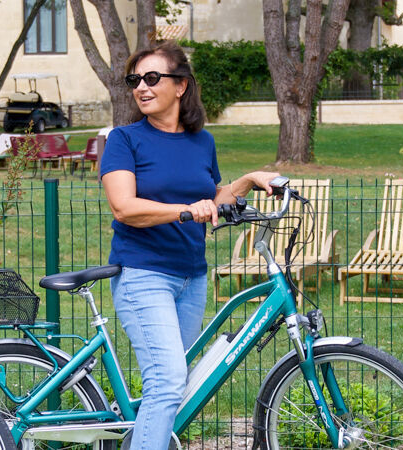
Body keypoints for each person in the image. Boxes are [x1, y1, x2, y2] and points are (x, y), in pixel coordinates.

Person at [99, 40, 279, 449]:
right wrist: (183, 209)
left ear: (180, 86)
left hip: (191, 279)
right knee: (166, 383)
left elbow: (211, 196)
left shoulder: (203, 142)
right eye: (135, 80)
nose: (141, 88)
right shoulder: (124, 140)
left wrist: (248, 181)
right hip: (143, 275)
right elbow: (124, 207)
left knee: (171, 389)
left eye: (151, 78)